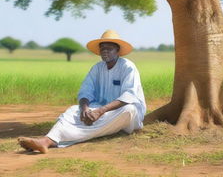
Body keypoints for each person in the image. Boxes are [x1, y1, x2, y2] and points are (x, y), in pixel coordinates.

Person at [18, 30, 146, 153]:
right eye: (102, 49)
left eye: (109, 49)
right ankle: (46, 141)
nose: (105, 51)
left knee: (129, 110)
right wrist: (85, 109)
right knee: (73, 110)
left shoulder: (128, 67)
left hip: (121, 112)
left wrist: (100, 112)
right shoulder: (97, 68)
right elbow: (85, 91)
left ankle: (68, 136)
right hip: (100, 110)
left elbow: (129, 96)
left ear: (117, 51)